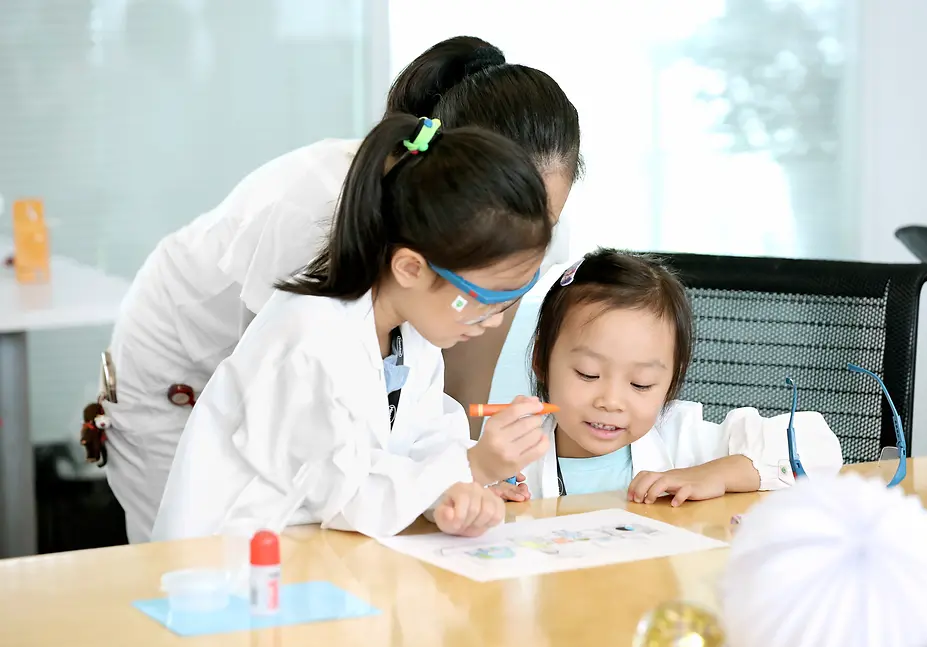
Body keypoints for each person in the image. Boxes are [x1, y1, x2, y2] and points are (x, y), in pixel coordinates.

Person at [91, 35, 582, 543]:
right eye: (482, 297)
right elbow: (337, 476)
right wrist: (469, 468)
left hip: (304, 480)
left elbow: (414, 422)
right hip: (187, 397)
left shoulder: (414, 312)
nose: (528, 233)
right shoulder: (312, 271)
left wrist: (449, 486)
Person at [150, 114, 555, 541]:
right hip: (231, 559)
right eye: (482, 300)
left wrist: (454, 494)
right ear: (411, 268)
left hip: (317, 553)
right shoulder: (309, 338)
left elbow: (422, 442)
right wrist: (475, 468)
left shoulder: (410, 336)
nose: (490, 321)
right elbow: (345, 491)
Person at [517, 249, 844, 501]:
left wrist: (717, 474)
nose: (611, 401)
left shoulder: (682, 439)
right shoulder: (510, 452)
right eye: (588, 374)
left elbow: (817, 447)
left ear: (670, 383)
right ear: (541, 360)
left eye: (640, 384)